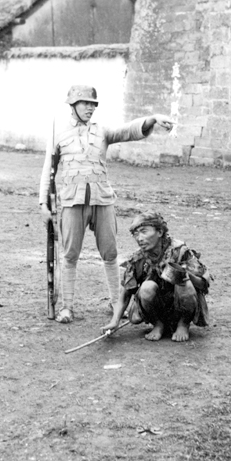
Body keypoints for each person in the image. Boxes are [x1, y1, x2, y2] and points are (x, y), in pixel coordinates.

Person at [39, 85, 175, 323]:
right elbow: (47, 171)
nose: (90, 108)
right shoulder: (58, 134)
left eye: (93, 104)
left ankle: (116, 304)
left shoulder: (102, 132)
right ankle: (67, 307)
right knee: (70, 255)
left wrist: (152, 119)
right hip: (72, 201)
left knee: (110, 254)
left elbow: (128, 131)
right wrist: (43, 204)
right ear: (73, 105)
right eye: (85, 103)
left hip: (102, 200)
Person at [101, 211, 211, 342]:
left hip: (181, 304)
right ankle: (158, 324)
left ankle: (183, 324)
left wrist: (187, 275)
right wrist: (114, 321)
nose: (139, 238)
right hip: (157, 308)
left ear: (159, 232)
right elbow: (125, 294)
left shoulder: (179, 251)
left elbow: (204, 284)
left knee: (184, 283)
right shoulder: (138, 259)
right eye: (135, 234)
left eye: (144, 231)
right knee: (147, 287)